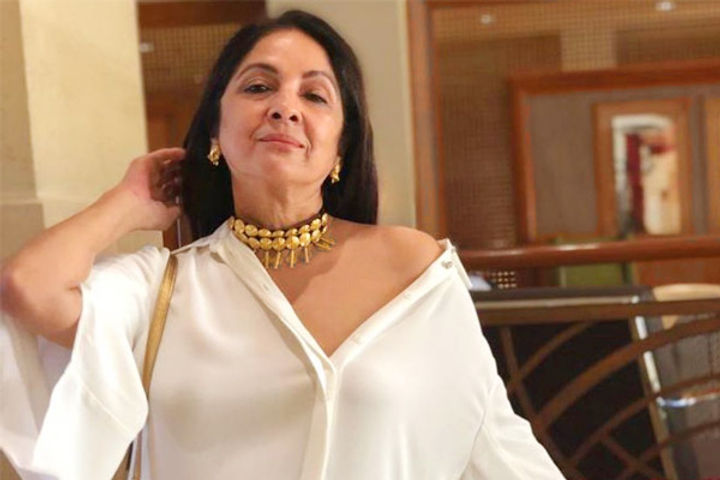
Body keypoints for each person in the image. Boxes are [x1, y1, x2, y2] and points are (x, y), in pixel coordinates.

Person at [0, 10, 565, 480]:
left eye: (315, 96)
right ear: (216, 130)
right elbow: (28, 287)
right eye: (258, 87)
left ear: (340, 147)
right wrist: (128, 202)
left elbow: (490, 439)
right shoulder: (161, 290)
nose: (285, 107)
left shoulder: (416, 269)